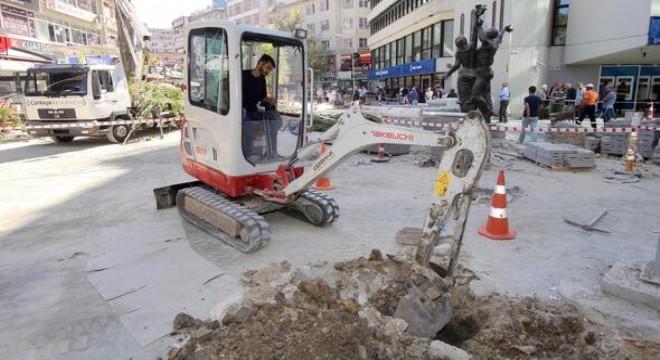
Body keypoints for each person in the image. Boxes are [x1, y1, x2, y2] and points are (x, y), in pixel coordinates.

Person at [242, 54, 278, 160]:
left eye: (270, 70)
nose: (267, 72)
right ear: (260, 63)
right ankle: (248, 156)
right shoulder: (243, 75)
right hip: (241, 111)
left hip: (253, 110)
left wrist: (269, 100)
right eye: (267, 68)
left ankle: (272, 152)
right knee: (248, 125)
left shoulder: (262, 80)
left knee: (274, 120)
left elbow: (262, 98)